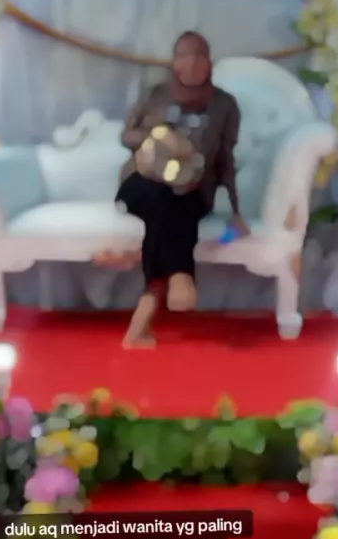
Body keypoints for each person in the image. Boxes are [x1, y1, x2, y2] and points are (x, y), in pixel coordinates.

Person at [105, 31, 248, 348]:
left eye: (199, 55)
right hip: (141, 183)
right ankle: (181, 276)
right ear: (174, 62)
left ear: (209, 62)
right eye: (184, 55)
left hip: (193, 190)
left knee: (173, 204)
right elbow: (126, 135)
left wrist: (236, 211)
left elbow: (225, 159)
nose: (192, 62)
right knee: (165, 199)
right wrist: (157, 138)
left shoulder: (224, 105)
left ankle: (143, 319)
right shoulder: (156, 94)